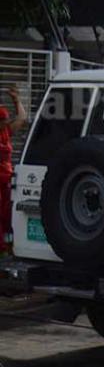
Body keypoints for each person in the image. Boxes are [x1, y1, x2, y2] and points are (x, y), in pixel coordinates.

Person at [0, 85, 27, 255]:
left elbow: (22, 118)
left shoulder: (5, 133)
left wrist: (16, 99)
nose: (7, 121)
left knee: (9, 216)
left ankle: (9, 249)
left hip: (7, 181)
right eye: (3, 120)